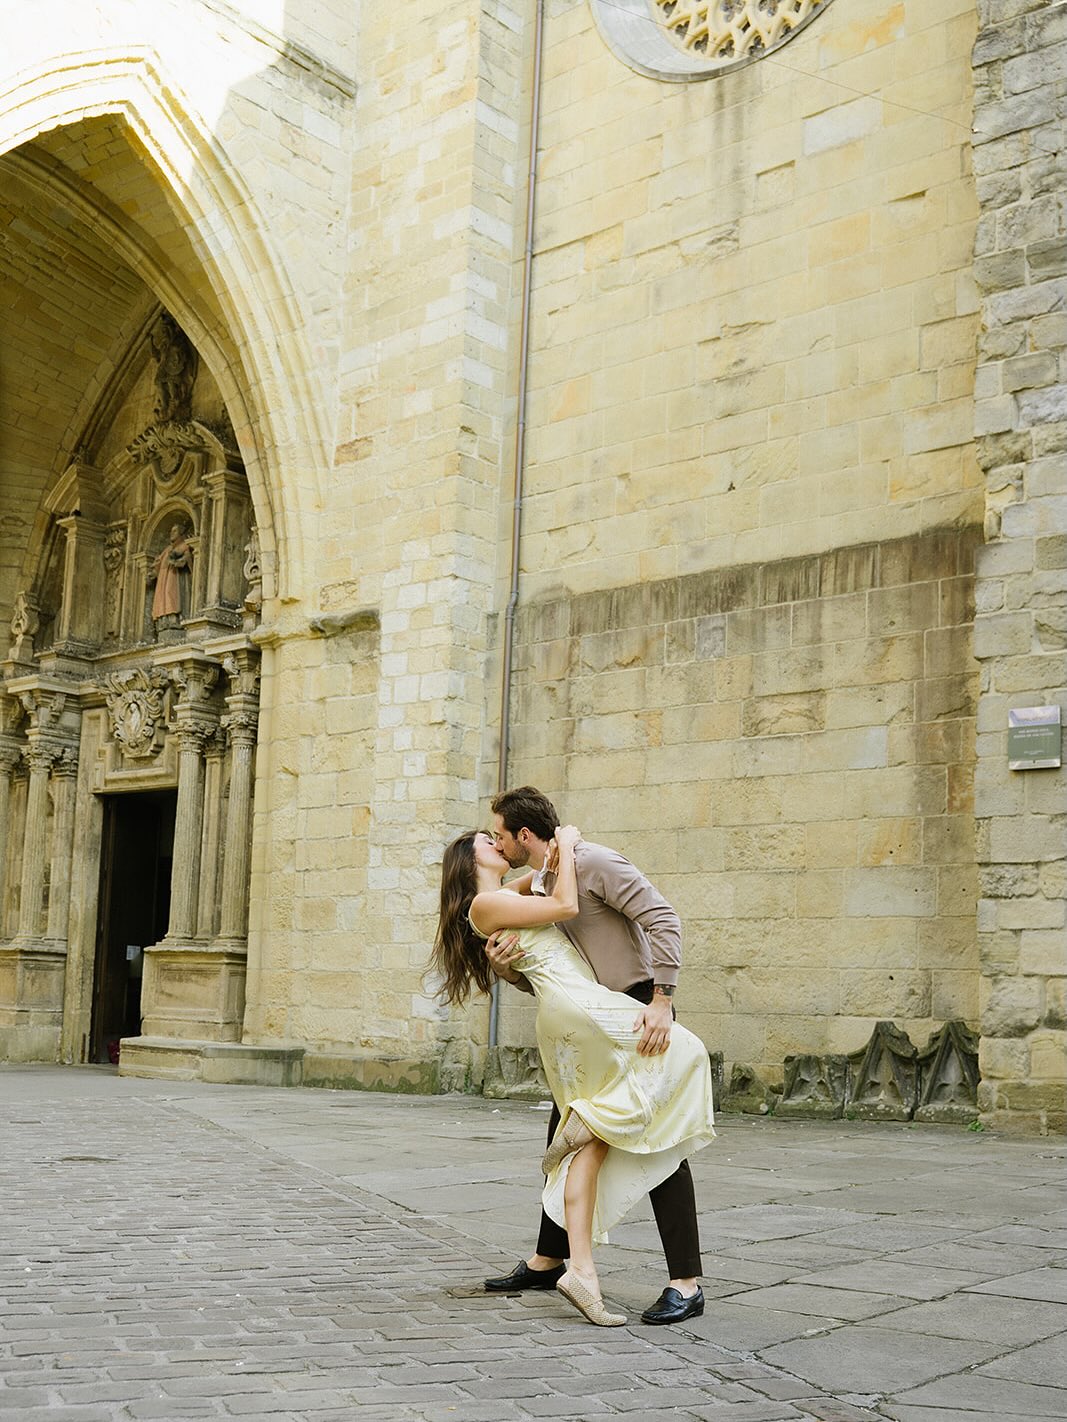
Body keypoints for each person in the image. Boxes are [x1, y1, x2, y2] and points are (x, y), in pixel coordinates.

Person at [432, 816, 715, 1328]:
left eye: (497, 833)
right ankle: (556, 1259)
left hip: (633, 1001)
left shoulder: (583, 867)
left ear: (523, 834)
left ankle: (676, 1279)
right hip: (588, 1012)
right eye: (485, 839)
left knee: (622, 1124)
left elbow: (662, 919)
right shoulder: (530, 890)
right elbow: (543, 953)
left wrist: (662, 998)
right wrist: (504, 968)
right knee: (598, 1122)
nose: (494, 841)